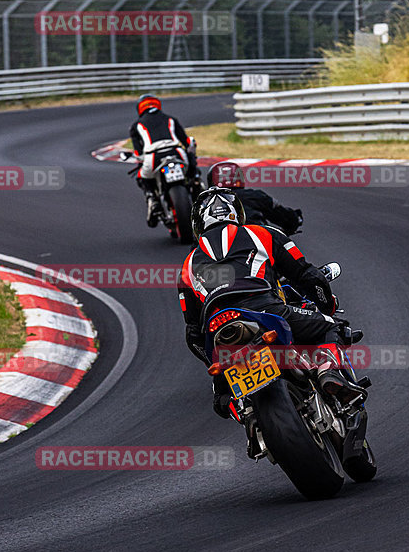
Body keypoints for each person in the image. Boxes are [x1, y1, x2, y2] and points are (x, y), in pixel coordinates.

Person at [177, 187, 359, 418]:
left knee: (221, 398)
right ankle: (327, 374)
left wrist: (213, 365)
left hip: (220, 330)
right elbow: (308, 276)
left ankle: (247, 418)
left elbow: (193, 332)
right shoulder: (262, 233)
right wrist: (326, 307)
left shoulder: (187, 264)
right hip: (264, 308)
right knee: (333, 326)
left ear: (197, 224)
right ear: (237, 212)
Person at [129, 93, 200, 227]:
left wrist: (139, 158)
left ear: (140, 108)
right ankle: (197, 186)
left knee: (141, 176)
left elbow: (138, 152)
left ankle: (152, 200)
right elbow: (186, 141)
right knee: (192, 168)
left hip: (153, 157)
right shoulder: (171, 119)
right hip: (177, 153)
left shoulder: (136, 126)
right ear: (157, 105)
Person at [206, 160, 303, 235]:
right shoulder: (255, 196)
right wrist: (294, 219)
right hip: (256, 247)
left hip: (215, 250)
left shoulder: (205, 202)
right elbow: (282, 215)